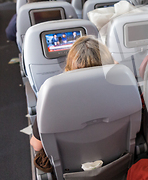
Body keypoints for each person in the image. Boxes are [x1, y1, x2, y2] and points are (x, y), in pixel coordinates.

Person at [30, 36, 115, 171]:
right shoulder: (123, 85)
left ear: (70, 66)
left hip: (70, 169)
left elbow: (36, 145)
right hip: (116, 160)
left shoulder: (51, 97)